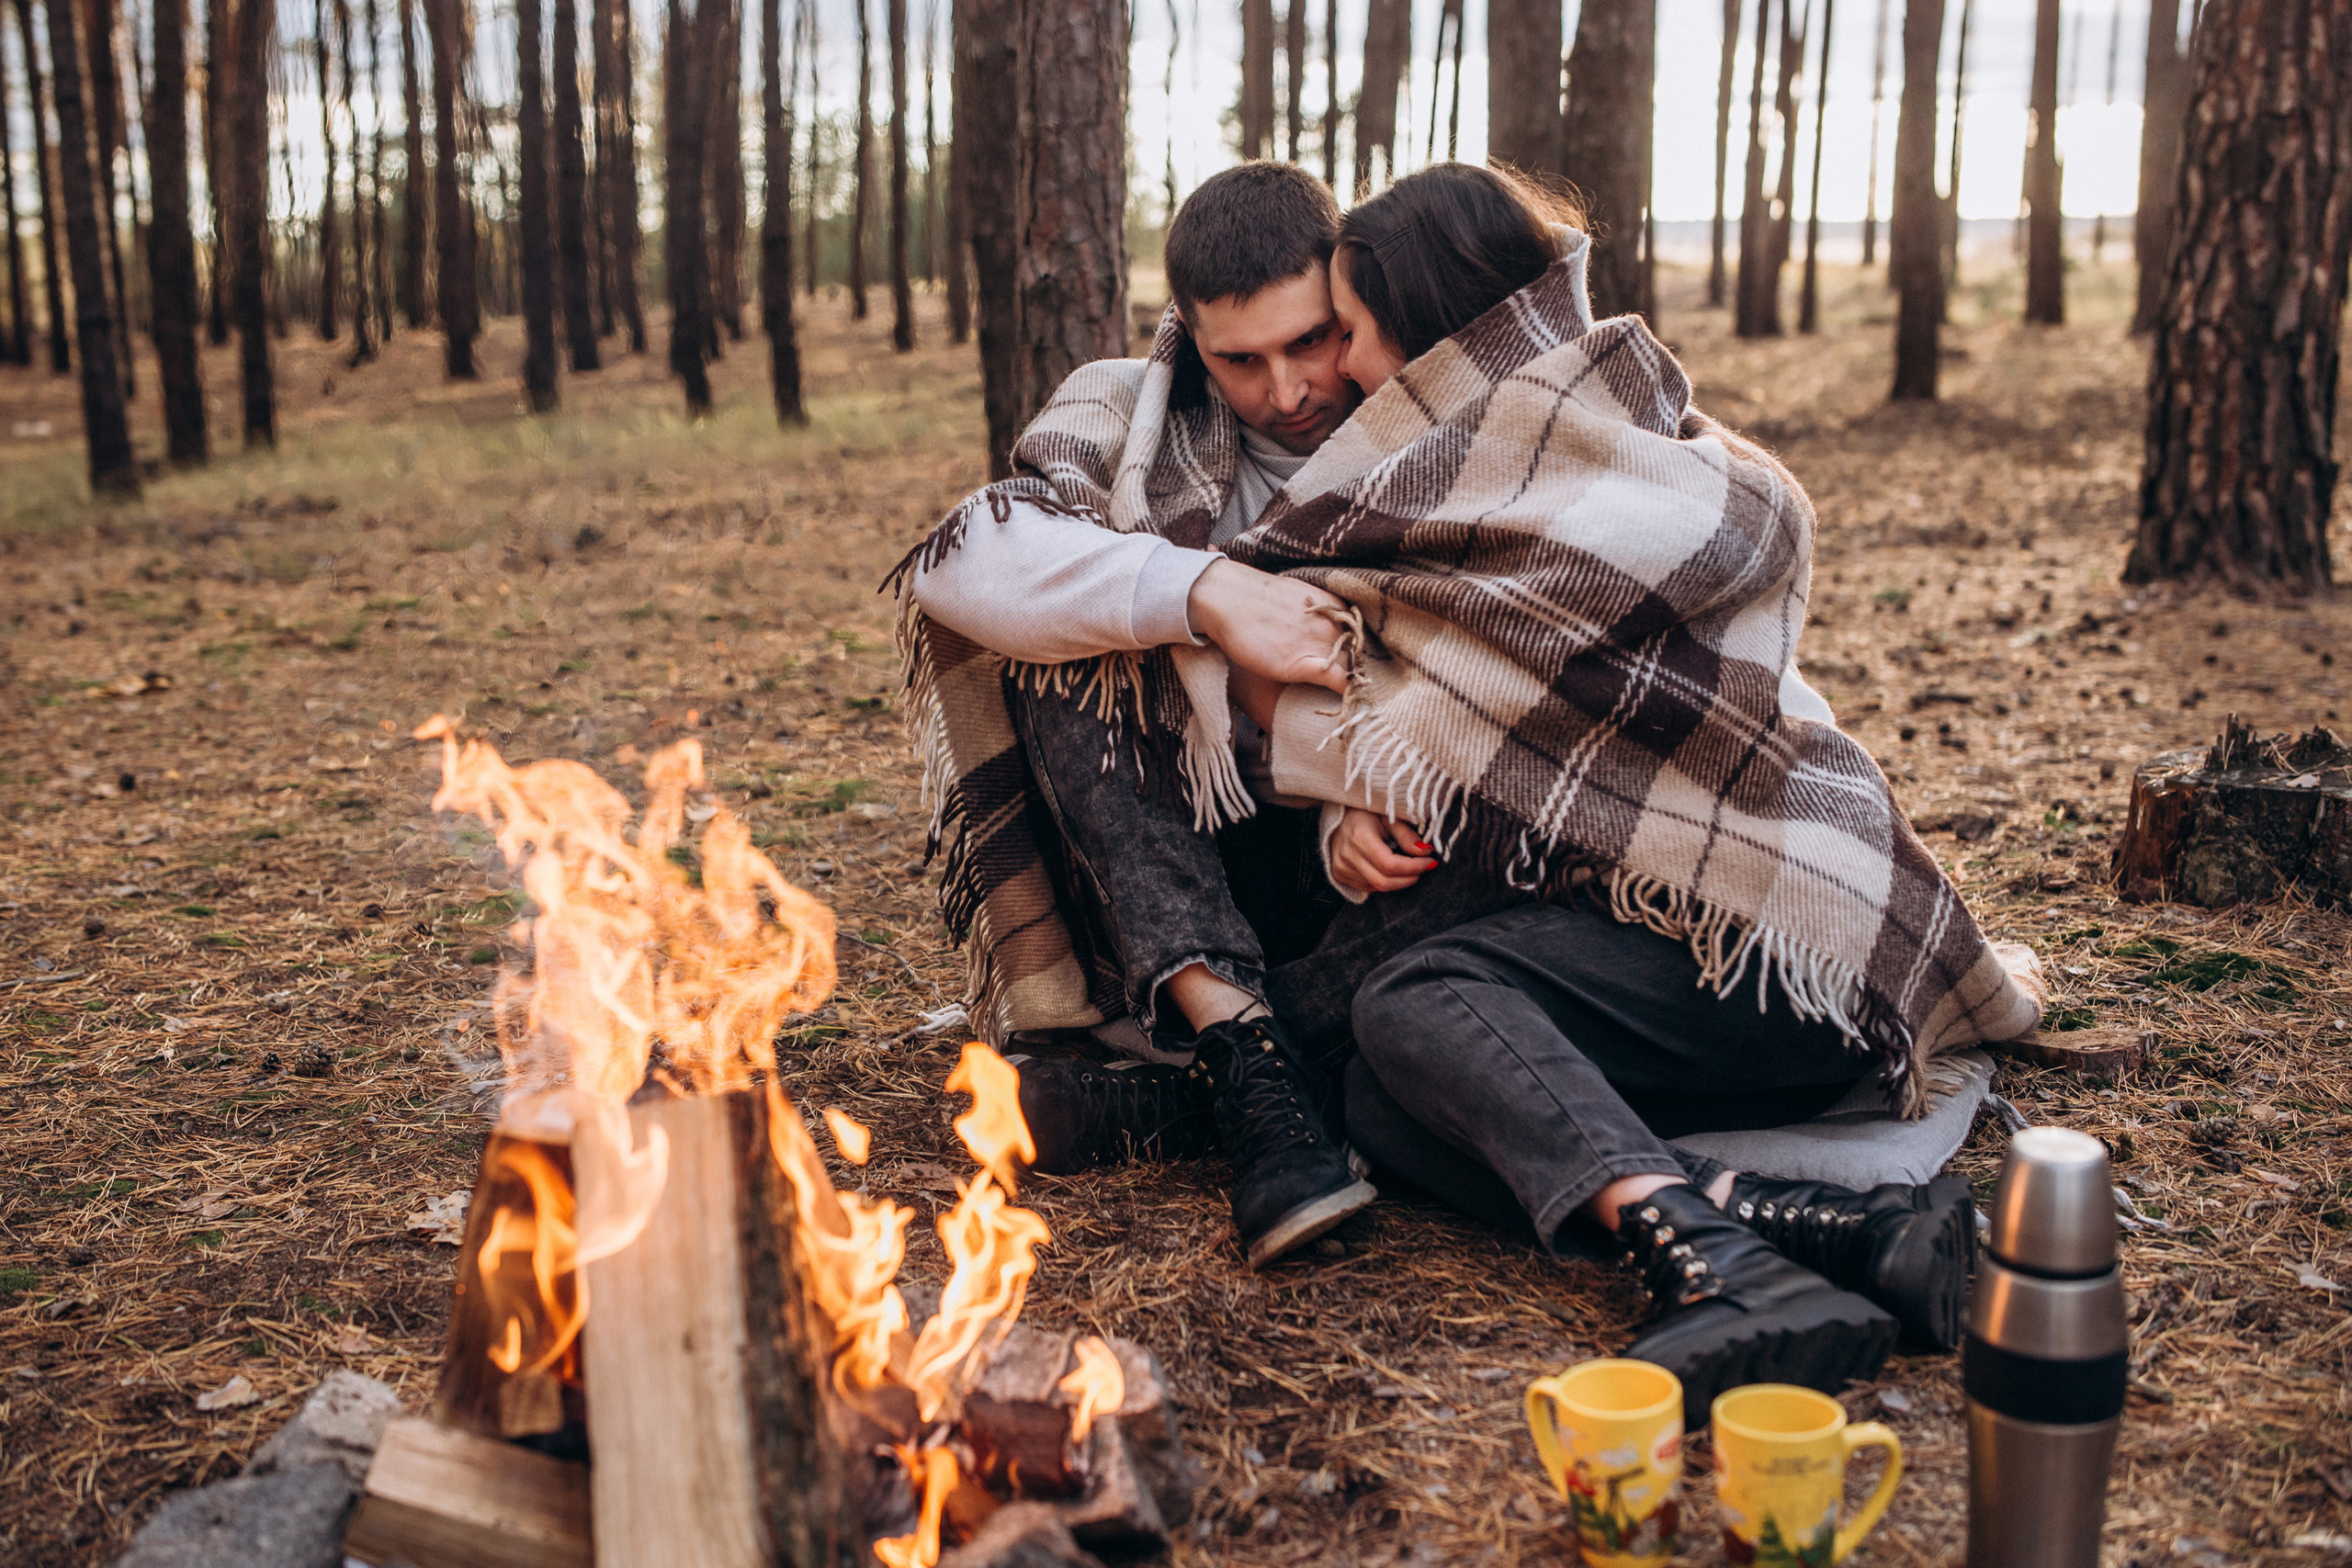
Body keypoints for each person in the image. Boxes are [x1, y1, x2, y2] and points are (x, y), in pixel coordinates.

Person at [1210, 162, 2046, 1422]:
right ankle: (1833, 1237)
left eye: (1356, 331)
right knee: (1388, 1099)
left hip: (1779, 941)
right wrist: (1340, 802)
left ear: (1438, 341)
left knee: (1419, 998)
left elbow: (1475, 727)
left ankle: (1719, 1270)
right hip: (1684, 974)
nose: (1346, 368)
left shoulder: (1564, 493)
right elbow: (1453, 728)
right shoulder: (1485, 491)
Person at [898, 163, 1521, 1270]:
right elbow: (964, 561)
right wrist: (1205, 595)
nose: (1287, 390)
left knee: (1529, 818)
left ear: (1349, 296)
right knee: (1074, 658)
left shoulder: (1437, 418)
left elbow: (1495, 692)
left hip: (1381, 873)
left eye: (1311, 341)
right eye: (1240, 360)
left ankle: (1200, 1098)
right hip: (1181, 876)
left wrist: (1339, 799)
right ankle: (1244, 1057)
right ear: (1188, 338)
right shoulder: (1125, 408)